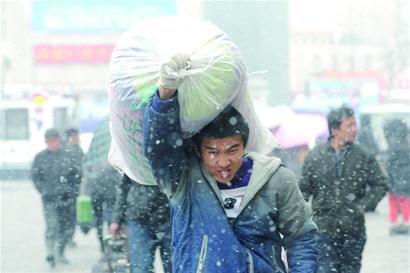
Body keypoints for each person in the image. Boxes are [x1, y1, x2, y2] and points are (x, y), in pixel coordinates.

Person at [143, 54, 318, 273]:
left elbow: (301, 236)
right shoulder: (184, 178)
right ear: (199, 150)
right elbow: (160, 148)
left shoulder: (276, 179)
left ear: (244, 146)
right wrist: (166, 93)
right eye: (213, 152)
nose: (223, 161)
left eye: (232, 150)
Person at [299, 105, 388, 273]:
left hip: (353, 230)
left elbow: (380, 184)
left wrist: (363, 206)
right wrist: (300, 217)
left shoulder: (363, 155)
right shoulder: (316, 156)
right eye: (349, 125)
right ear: (334, 129)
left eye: (355, 125)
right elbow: (303, 189)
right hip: (323, 229)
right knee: (326, 270)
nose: (354, 130)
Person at [31, 128, 82, 267]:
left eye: (55, 141)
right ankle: (50, 253)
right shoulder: (40, 157)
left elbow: (77, 175)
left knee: (65, 227)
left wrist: (72, 191)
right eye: (49, 141)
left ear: (59, 141)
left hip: (67, 199)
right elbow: (35, 177)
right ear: (46, 142)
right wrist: (43, 190)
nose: (52, 144)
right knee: (52, 226)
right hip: (49, 199)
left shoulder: (68, 156)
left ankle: (60, 252)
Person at [110, 174, 172, 273]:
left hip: (169, 216)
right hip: (139, 217)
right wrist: (116, 219)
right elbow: (124, 186)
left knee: (174, 267)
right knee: (142, 268)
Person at [383, 119, 410, 235]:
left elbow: (389, 166)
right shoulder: (407, 149)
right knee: (405, 201)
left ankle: (393, 221)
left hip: (394, 180)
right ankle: (406, 220)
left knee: (393, 201)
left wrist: (389, 179)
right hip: (406, 180)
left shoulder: (392, 149)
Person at [63, 127, 84, 248]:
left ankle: (68, 237)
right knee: (68, 215)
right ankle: (66, 238)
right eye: (75, 136)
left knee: (71, 215)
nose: (77, 138)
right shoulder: (67, 150)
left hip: (74, 188)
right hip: (68, 188)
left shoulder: (78, 149)